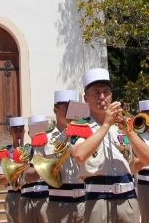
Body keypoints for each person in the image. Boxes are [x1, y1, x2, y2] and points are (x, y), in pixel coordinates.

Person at [70, 68, 149, 223]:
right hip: (97, 199)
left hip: (128, 198)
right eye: (96, 92)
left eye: (106, 92)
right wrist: (106, 125)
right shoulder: (79, 126)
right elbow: (80, 155)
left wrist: (129, 132)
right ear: (86, 98)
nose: (102, 97)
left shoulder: (124, 125)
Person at [46, 90, 86, 223]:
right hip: (58, 201)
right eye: (65, 109)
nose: (70, 112)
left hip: (83, 198)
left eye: (72, 108)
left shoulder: (84, 134)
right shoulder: (47, 138)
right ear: (55, 110)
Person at [21, 115, 52, 223]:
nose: (38, 134)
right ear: (29, 133)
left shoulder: (50, 148)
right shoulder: (23, 151)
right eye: (34, 130)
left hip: (45, 196)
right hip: (27, 196)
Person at [0, 117, 28, 223]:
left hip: (28, 192)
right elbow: (1, 180)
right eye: (15, 131)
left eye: (20, 131)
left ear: (24, 132)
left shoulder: (30, 150)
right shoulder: (5, 152)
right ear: (11, 132)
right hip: (13, 194)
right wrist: (13, 173)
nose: (18, 134)